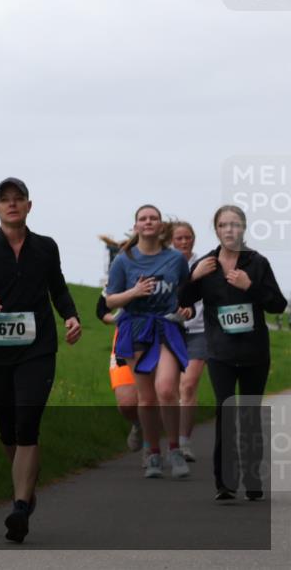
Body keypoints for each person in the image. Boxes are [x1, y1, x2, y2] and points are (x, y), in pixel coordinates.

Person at [0, 178, 81, 544]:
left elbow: (58, 288)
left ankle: (20, 507)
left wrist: (70, 316)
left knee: (27, 421)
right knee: (8, 429)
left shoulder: (45, 247)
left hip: (37, 348)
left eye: (18, 199)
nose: (12, 204)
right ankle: (24, 490)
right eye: (4, 200)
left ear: (29, 205)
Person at [179, 205, 287, 501]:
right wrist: (193, 277)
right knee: (225, 413)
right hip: (220, 352)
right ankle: (225, 483)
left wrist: (250, 286)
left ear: (244, 228)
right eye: (224, 225)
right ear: (216, 230)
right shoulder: (207, 265)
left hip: (254, 353)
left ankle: (253, 480)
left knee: (250, 415)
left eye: (235, 224)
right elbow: (183, 302)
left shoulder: (257, 263)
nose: (230, 230)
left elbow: (277, 304)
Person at [105, 205, 192, 479]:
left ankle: (175, 450)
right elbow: (109, 300)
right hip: (136, 327)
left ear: (160, 225)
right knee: (146, 397)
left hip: (166, 325)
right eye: (143, 218)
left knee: (167, 389)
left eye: (153, 218)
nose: (148, 222)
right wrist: (134, 291)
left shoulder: (176, 259)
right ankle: (153, 453)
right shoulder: (124, 260)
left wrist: (186, 307)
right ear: (136, 226)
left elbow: (186, 292)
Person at [172, 221, 207, 462]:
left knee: (188, 386)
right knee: (169, 390)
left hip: (199, 330)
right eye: (179, 238)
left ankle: (184, 443)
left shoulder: (204, 264)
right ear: (171, 241)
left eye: (188, 237)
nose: (185, 242)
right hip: (170, 331)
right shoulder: (165, 264)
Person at [96, 292, 142, 452]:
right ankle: (138, 424)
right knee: (127, 404)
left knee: (155, 397)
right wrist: (116, 319)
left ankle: (152, 454)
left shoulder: (169, 266)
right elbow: (101, 309)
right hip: (126, 339)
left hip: (159, 337)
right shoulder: (120, 267)